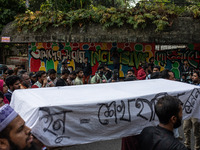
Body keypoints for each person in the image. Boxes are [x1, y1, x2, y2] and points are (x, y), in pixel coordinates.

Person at [183, 70, 200, 150]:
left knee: (196, 132)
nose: (193, 77)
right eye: (192, 76)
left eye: (195, 76)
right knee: (186, 129)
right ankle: (187, 146)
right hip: (188, 112)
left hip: (196, 113)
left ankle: (197, 147)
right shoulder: (189, 86)